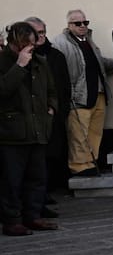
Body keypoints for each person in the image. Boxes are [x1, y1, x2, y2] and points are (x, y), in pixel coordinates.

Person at [0, 21, 59, 236]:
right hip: (12, 133)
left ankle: (33, 216)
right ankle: (12, 220)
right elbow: (3, 90)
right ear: (14, 43)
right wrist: (19, 66)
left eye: (32, 45)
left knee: (37, 177)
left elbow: (52, 90)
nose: (29, 50)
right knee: (12, 180)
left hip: (38, 129)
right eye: (24, 45)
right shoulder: (4, 61)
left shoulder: (41, 62)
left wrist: (51, 109)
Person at [50, 9, 113, 176]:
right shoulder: (61, 43)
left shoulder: (88, 40)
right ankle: (79, 166)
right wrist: (71, 94)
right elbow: (59, 72)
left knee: (95, 131)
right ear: (69, 25)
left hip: (98, 93)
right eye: (78, 23)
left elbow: (98, 62)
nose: (82, 26)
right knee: (78, 133)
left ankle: (91, 162)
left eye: (85, 23)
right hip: (79, 96)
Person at [27, 17, 71, 204]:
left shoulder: (56, 56)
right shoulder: (24, 58)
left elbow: (62, 86)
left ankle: (46, 193)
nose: (41, 36)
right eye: (37, 33)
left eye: (43, 32)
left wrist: (58, 109)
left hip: (54, 115)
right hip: (31, 118)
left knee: (52, 155)